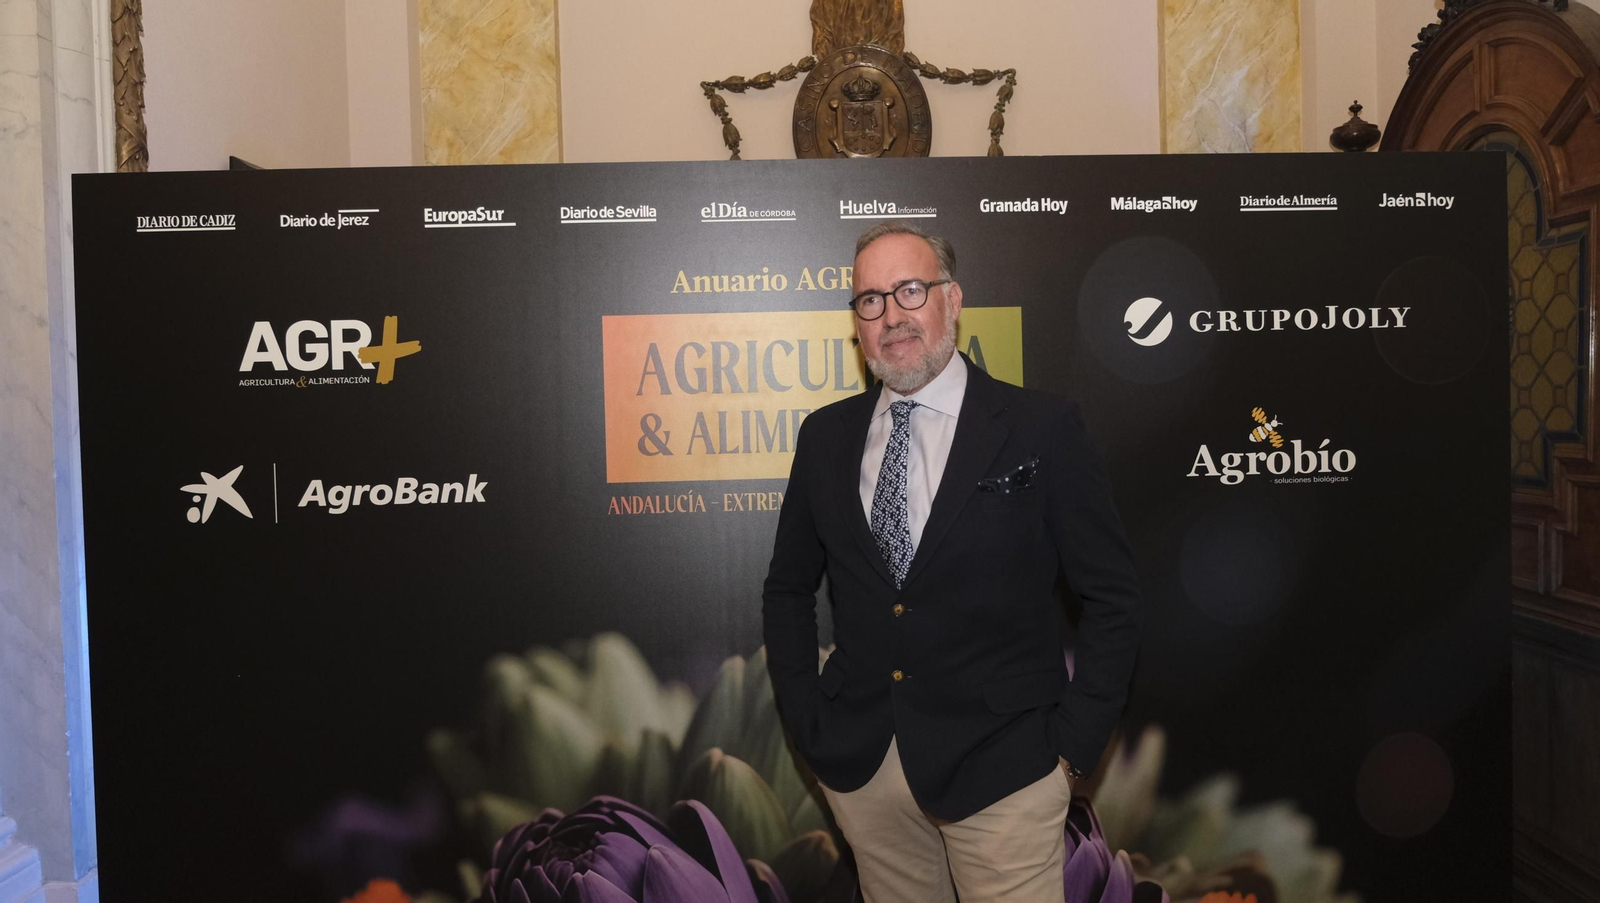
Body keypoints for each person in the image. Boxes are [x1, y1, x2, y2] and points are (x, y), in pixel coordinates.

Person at [761, 221, 1144, 902]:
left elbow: (1113, 596)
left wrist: (1070, 751)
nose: (892, 316)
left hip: (1007, 769)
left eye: (910, 290)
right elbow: (788, 589)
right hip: (865, 769)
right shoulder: (824, 437)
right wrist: (808, 722)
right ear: (857, 322)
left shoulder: (1041, 428)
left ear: (953, 299)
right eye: (870, 300)